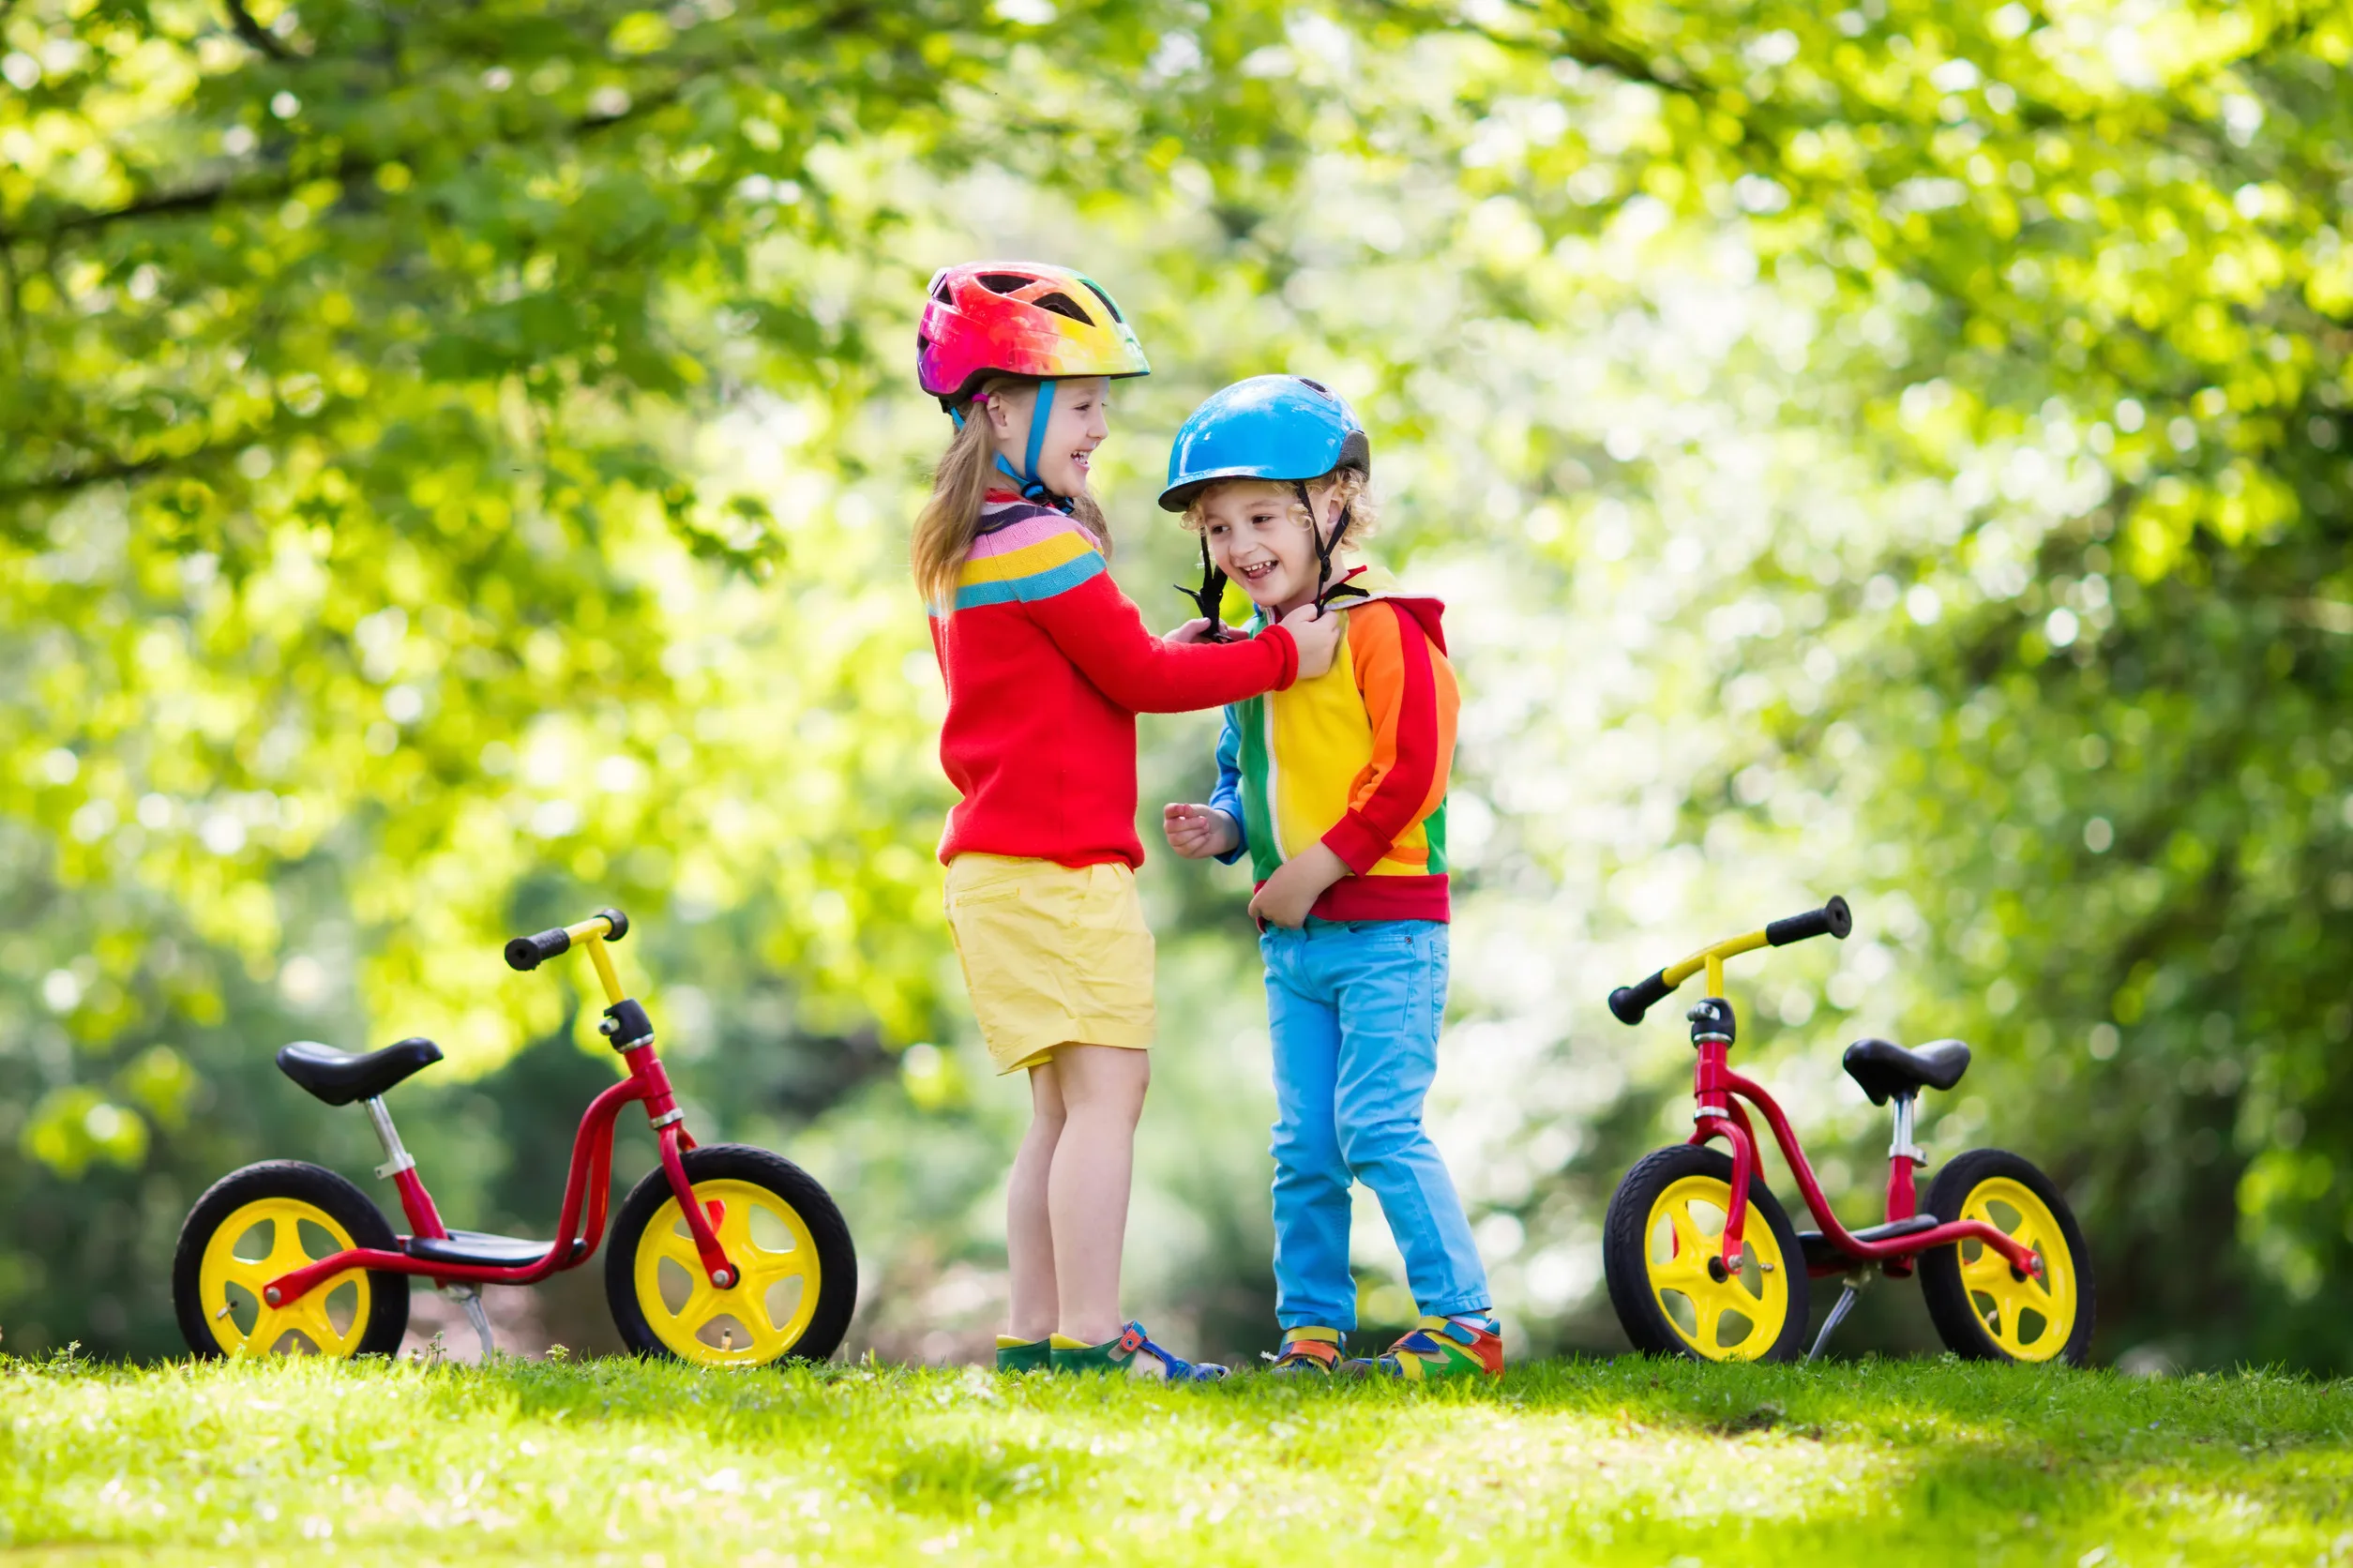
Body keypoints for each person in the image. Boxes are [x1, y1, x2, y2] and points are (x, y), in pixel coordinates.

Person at [912, 266, 1342, 1380]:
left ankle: (1040, 1339)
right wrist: (1284, 651)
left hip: (1002, 867)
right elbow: (1138, 679)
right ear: (1001, 407)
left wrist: (1180, 653)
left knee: (1061, 1109)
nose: (1102, 426)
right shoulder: (1044, 541)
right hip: (1054, 868)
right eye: (1084, 400)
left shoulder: (975, 546)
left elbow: (1082, 677)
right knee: (1107, 1096)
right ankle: (1095, 1341)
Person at [1158, 375, 1500, 1380]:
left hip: (1388, 930)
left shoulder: (1384, 626)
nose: (1239, 546)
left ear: (1336, 501)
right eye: (1219, 529)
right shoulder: (1259, 655)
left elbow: (1412, 772)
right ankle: (1310, 1329)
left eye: (1262, 515)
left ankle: (1463, 1320)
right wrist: (1223, 824)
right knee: (1303, 1145)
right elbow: (1244, 769)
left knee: (1376, 1128)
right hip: (1296, 945)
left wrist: (1312, 868)